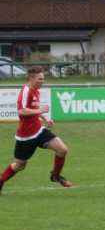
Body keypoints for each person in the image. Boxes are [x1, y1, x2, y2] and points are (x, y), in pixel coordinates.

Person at [0, 66, 72, 195]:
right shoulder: (25, 91)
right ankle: (1, 180)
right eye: (40, 79)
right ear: (31, 78)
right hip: (25, 136)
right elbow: (21, 111)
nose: (43, 81)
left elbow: (34, 108)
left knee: (62, 149)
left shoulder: (36, 91)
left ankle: (55, 175)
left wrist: (45, 118)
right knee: (19, 166)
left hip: (39, 131)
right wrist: (41, 110)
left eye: (43, 79)